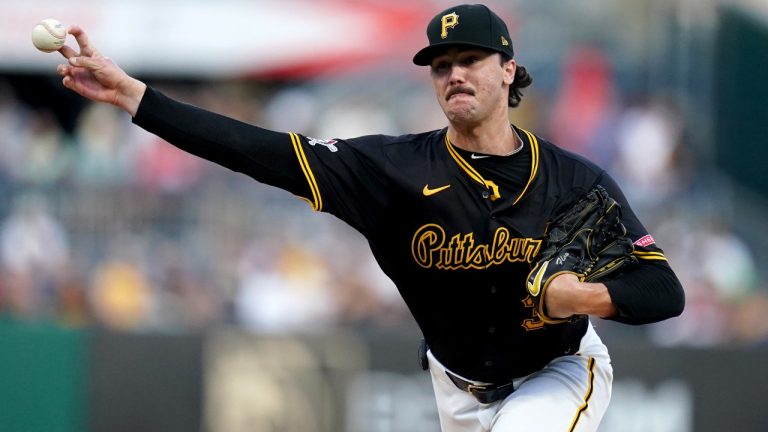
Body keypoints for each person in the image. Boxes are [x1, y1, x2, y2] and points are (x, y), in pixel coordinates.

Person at [55, 3, 684, 431]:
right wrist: (135, 97)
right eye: (441, 65)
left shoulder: (574, 182)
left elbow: (663, 290)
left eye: (470, 59)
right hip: (455, 388)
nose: (454, 73)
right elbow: (258, 152)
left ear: (509, 70)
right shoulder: (389, 171)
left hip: (559, 369)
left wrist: (584, 297)